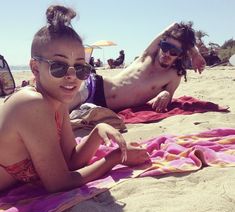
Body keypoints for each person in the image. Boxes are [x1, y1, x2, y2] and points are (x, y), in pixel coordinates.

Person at [0, 5, 150, 193]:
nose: (72, 76)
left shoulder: (57, 102)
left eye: (81, 68)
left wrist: (97, 132)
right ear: (35, 68)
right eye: (58, 67)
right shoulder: (32, 104)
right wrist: (115, 158)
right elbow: (59, 183)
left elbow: (70, 162)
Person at [70, 22, 206, 113]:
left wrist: (166, 94)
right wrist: (195, 52)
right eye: (165, 47)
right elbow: (174, 25)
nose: (167, 54)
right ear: (160, 45)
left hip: (102, 108)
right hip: (93, 87)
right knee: (56, 111)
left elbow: (168, 97)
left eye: (174, 52)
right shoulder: (147, 56)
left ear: (180, 55)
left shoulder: (173, 75)